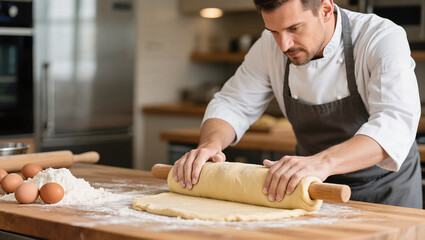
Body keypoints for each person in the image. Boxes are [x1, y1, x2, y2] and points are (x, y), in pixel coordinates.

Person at [173, 0, 423, 209]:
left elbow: (394, 122)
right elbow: (233, 102)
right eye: (274, 31)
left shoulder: (380, 37)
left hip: (386, 192)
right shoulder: (269, 47)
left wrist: (322, 163)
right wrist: (210, 144)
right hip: (308, 190)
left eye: (294, 28)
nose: (284, 45)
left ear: (325, 9)